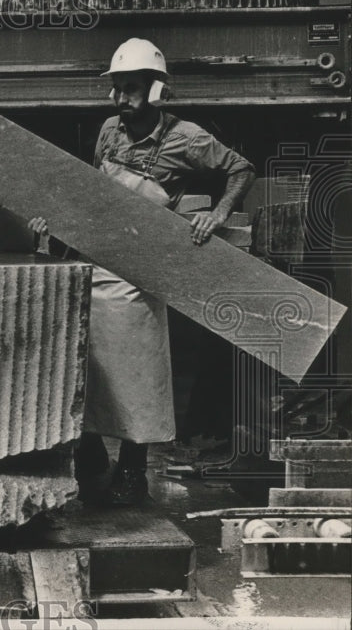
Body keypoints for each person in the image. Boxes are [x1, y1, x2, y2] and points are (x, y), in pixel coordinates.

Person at [29, 38, 255, 506]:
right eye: (116, 89)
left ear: (155, 89)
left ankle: (134, 474)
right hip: (93, 266)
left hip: (138, 275)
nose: (119, 99)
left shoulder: (187, 137)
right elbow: (94, 196)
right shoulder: (110, 130)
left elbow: (240, 169)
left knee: (138, 375)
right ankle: (92, 459)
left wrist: (217, 213)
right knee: (83, 370)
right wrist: (55, 227)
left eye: (129, 89)